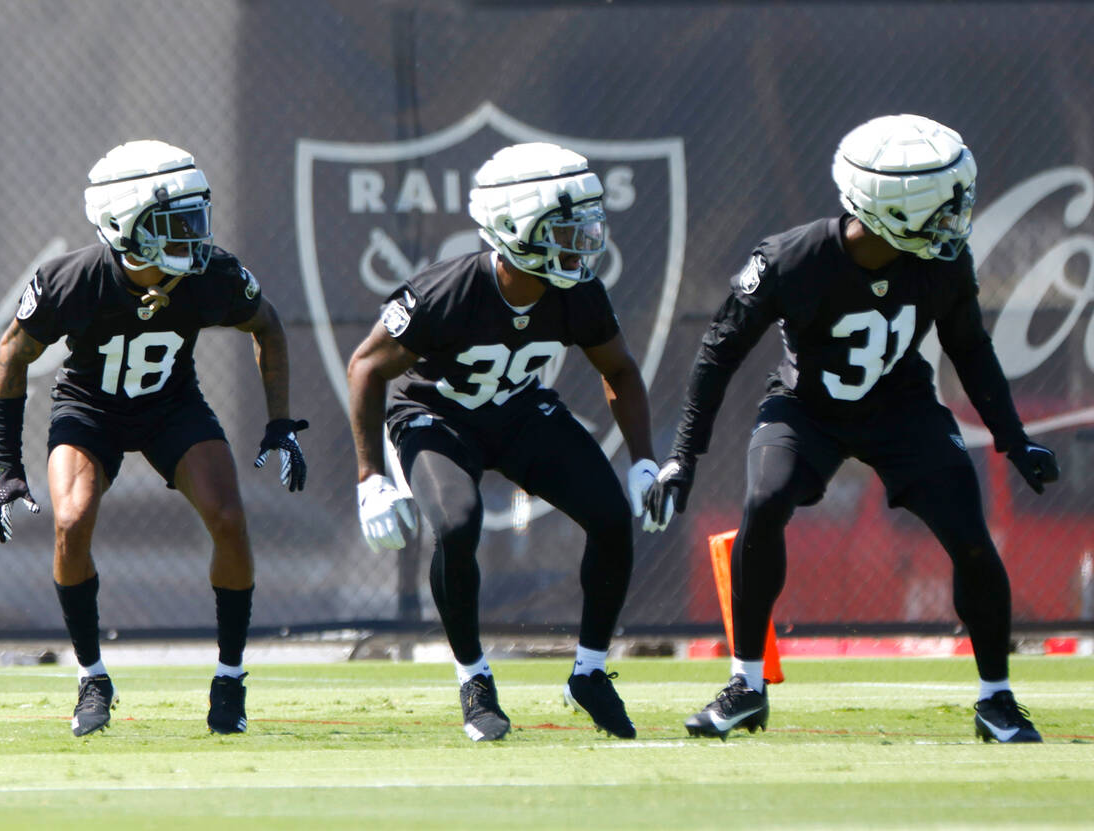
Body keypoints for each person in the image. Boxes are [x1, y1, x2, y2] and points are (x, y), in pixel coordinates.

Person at [645, 114, 1058, 744]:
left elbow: (970, 348)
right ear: (894, 209)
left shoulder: (941, 262)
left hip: (902, 406)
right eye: (943, 206)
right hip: (807, 406)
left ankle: (996, 699)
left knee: (971, 534)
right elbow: (717, 352)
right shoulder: (790, 259)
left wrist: (1013, 437)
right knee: (764, 502)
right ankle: (746, 684)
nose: (956, 220)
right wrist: (683, 455)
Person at [0, 139, 309, 737]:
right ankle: (92, 676)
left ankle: (230, 678)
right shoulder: (72, 279)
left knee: (230, 519)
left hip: (170, 405)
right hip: (89, 408)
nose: (194, 233)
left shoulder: (211, 275)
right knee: (71, 520)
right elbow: (11, 353)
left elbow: (266, 324)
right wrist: (7, 465)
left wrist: (280, 423)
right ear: (123, 224)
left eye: (195, 215)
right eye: (174, 221)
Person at [347, 142, 664, 741]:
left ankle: (590, 673)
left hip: (519, 411)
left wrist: (644, 460)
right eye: (566, 229)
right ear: (515, 230)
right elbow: (367, 367)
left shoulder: (576, 292)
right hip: (436, 416)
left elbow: (618, 368)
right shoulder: (446, 292)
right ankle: (474, 678)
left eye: (587, 226)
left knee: (610, 516)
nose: (584, 242)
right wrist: (369, 478)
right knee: (458, 524)